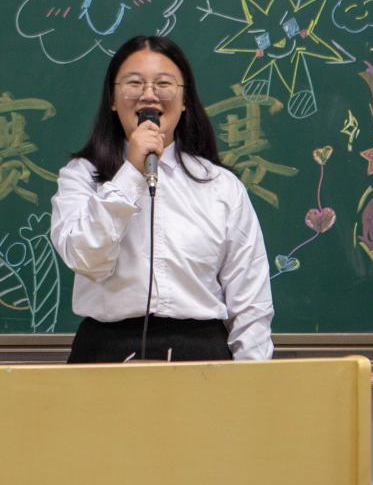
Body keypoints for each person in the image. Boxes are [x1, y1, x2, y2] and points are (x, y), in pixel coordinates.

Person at [50, 34, 274, 362]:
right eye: (134, 83)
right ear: (112, 99)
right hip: (105, 352)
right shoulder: (81, 175)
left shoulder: (220, 185)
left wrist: (252, 378)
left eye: (164, 84)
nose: (149, 94)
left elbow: (250, 299)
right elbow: (87, 258)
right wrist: (131, 172)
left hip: (200, 353)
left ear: (184, 101)